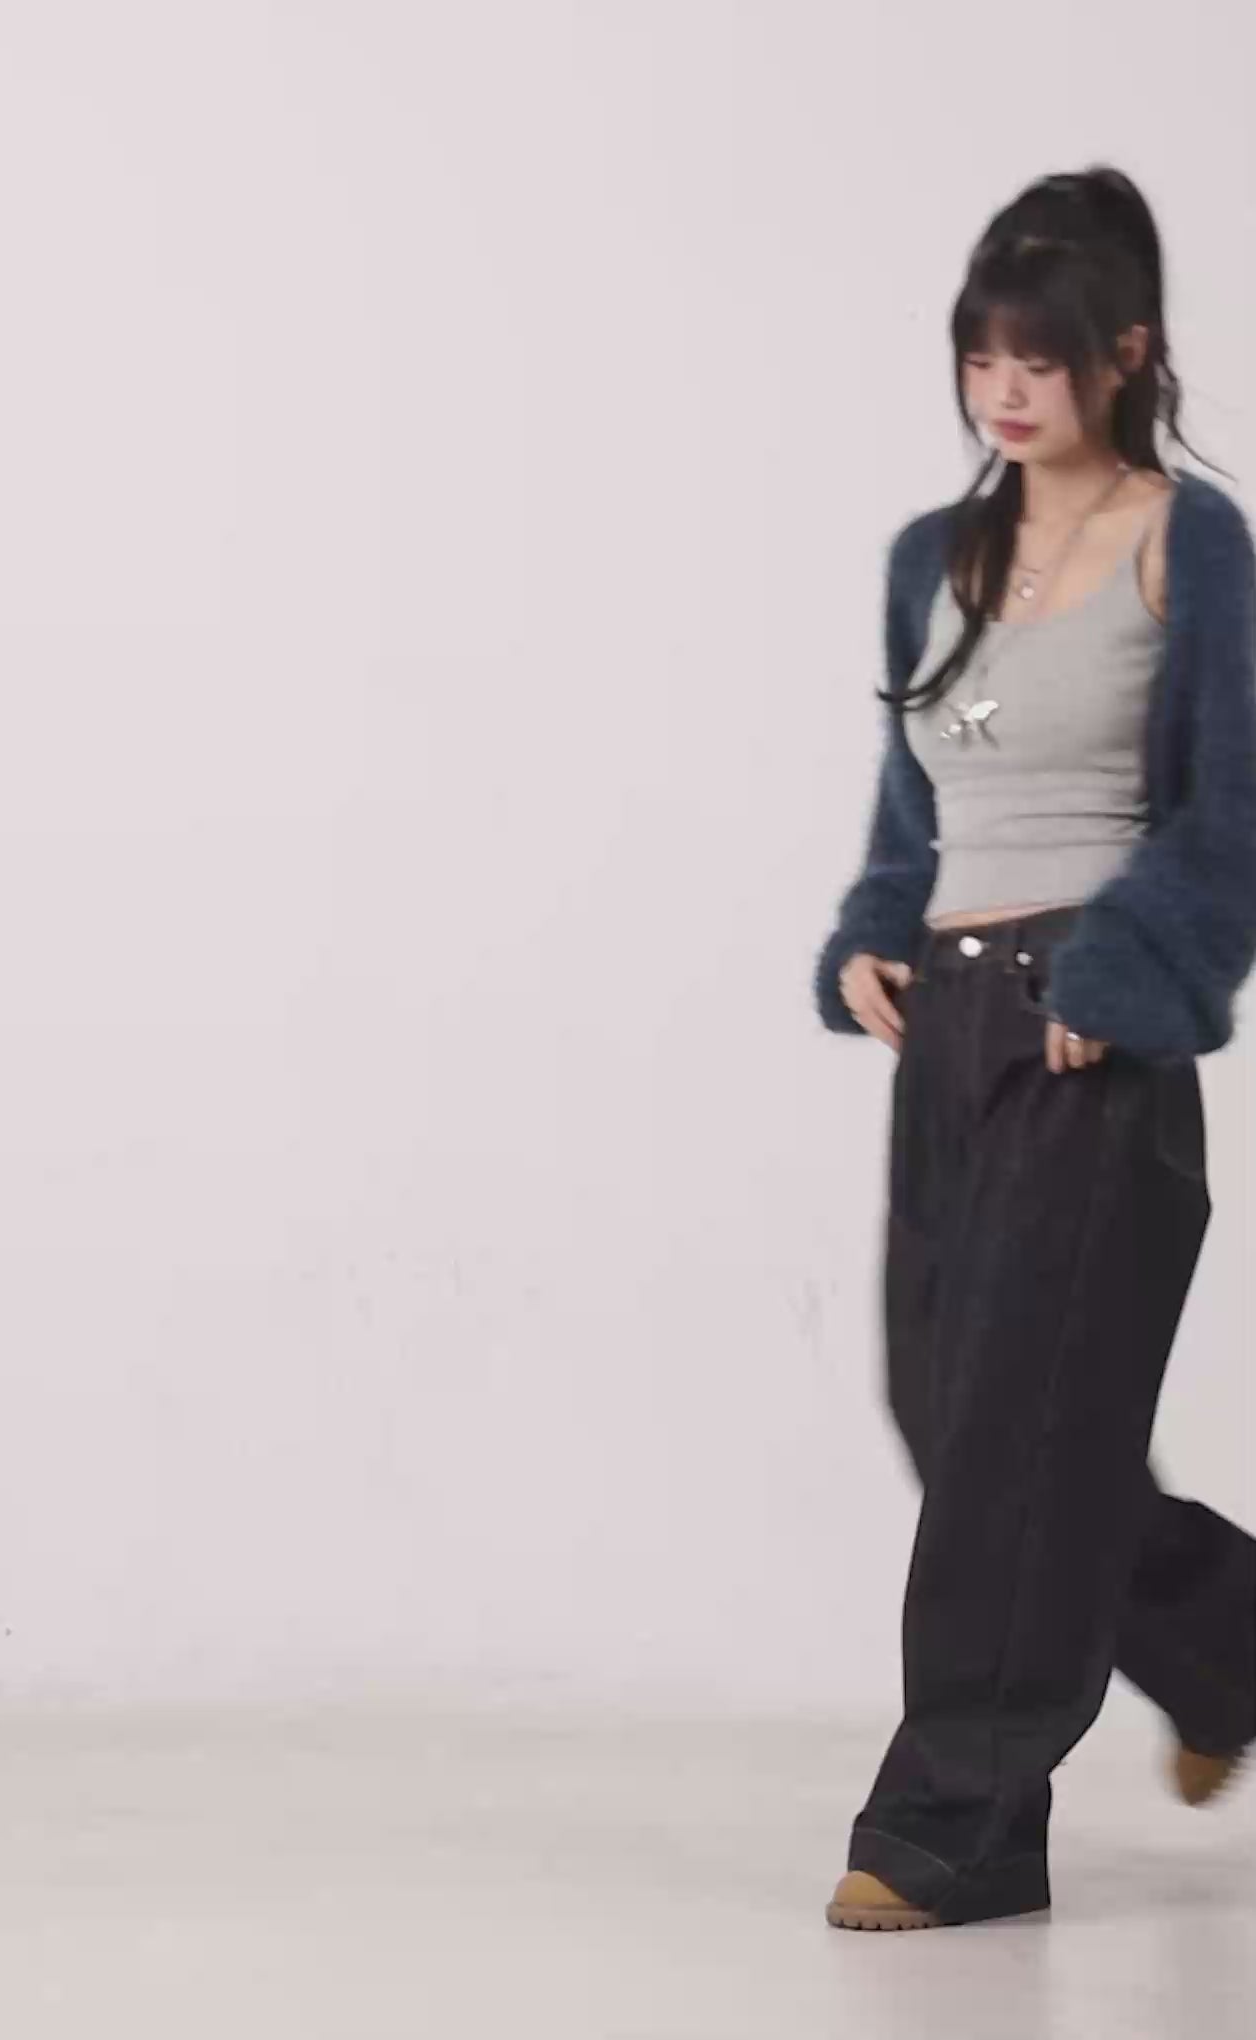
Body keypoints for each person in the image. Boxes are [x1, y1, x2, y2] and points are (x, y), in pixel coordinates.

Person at [812, 164, 1256, 1932]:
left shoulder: (1186, 539)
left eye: (1042, 361)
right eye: (981, 357)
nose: (1005, 391)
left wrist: (1125, 978)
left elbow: (1232, 813)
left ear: (1124, 354)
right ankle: (1230, 1645)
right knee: (955, 1410)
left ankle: (957, 1830)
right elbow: (912, 799)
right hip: (953, 1025)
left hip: (1093, 1028)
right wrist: (872, 935)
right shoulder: (933, 556)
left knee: (1015, 1446)